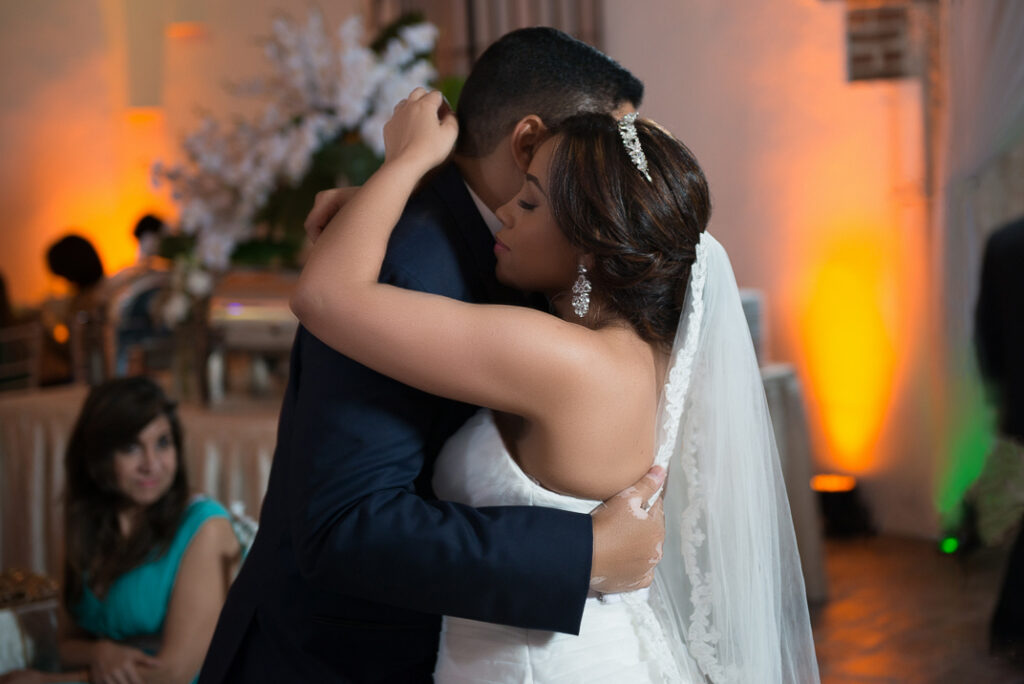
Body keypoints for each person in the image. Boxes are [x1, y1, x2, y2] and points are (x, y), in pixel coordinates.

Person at [289, 85, 820, 680]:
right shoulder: (649, 351)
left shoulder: (563, 360)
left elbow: (323, 295)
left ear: (589, 245)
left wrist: (405, 162)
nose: (507, 212)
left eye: (532, 203)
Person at [198, 28, 667, 684]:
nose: (617, 184)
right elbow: (346, 523)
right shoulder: (402, 263)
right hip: (342, 663)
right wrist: (581, 556)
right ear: (529, 142)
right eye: (598, 158)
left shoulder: (547, 263)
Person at [1, 377, 242, 684]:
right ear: (96, 457)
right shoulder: (87, 523)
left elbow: (174, 674)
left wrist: (49, 683)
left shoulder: (206, 528)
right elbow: (64, 644)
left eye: (163, 443)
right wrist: (99, 652)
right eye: (131, 448)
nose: (151, 464)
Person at [974, 215, 1024, 662]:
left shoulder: (1003, 240)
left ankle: (1009, 621)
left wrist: (998, 396)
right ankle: (1010, 620)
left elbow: (985, 327)